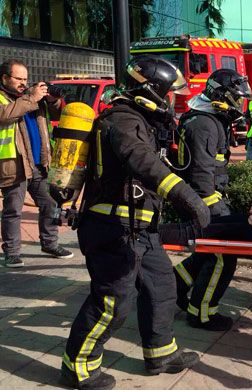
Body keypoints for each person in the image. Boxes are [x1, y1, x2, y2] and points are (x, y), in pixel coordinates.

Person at [60, 55, 211, 389]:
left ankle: (161, 353)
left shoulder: (141, 119)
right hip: (113, 229)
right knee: (114, 300)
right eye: (170, 93)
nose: (173, 100)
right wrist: (186, 196)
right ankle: (78, 365)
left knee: (161, 287)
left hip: (140, 229)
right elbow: (141, 161)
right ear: (153, 90)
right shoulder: (122, 120)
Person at [172, 68, 252, 331]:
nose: (240, 105)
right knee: (222, 256)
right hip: (202, 200)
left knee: (207, 254)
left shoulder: (205, 118)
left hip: (200, 197)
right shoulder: (205, 124)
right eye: (237, 98)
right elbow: (202, 175)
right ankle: (202, 313)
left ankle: (175, 285)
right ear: (221, 95)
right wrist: (213, 210)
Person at [0, 59, 74, 268]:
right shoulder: (7, 98)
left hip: (39, 162)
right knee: (13, 209)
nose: (23, 83)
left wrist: (53, 100)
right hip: (14, 164)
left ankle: (50, 244)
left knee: (50, 203)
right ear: (5, 78)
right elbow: (5, 115)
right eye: (18, 79)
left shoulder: (33, 98)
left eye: (25, 79)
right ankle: (12, 253)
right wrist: (31, 97)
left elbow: (59, 115)